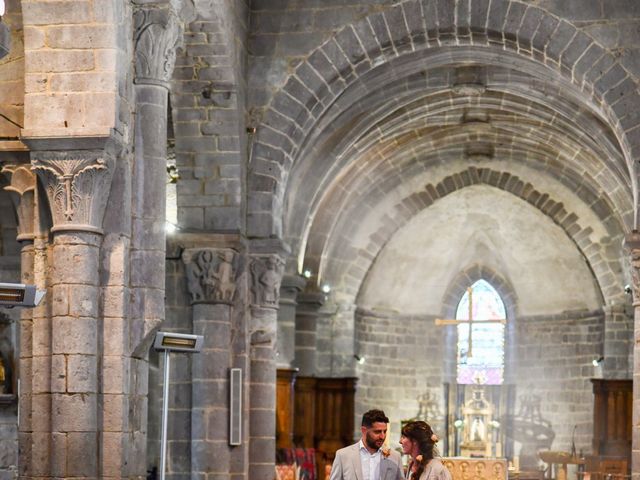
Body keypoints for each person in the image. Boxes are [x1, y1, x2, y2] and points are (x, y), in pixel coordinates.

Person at [330, 409, 404, 480]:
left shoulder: (395, 457)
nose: (382, 436)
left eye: (384, 431)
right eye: (377, 432)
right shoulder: (343, 455)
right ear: (364, 430)